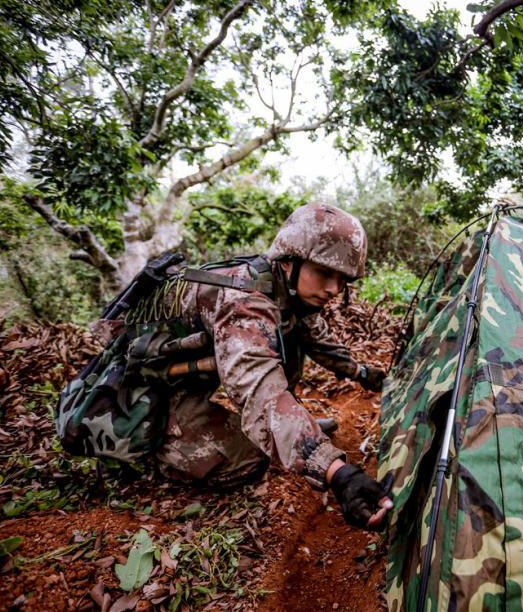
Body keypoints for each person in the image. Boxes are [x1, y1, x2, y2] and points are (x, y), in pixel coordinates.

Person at [79, 204, 392, 530]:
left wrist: (364, 374)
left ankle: (293, 430)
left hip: (190, 370)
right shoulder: (245, 302)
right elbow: (260, 389)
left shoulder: (291, 291)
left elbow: (319, 342)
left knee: (291, 341)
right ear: (288, 262)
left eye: (343, 279)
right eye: (325, 273)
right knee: (248, 460)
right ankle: (156, 451)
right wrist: (337, 471)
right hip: (145, 384)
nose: (334, 288)